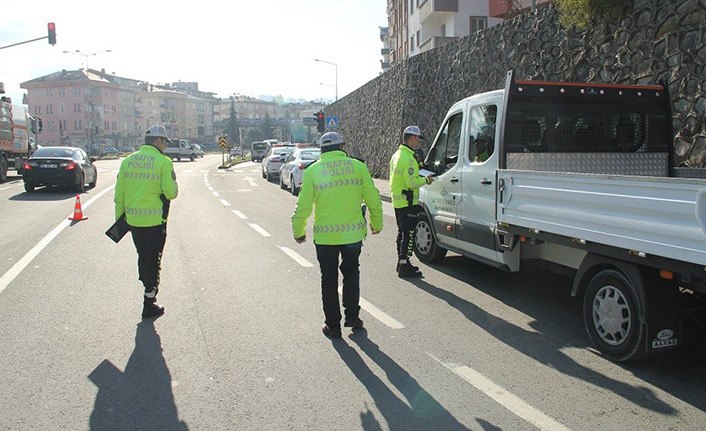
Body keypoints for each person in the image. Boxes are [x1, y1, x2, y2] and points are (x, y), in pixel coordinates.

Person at [292, 132, 383, 339]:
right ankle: (352, 317)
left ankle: (333, 326)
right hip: (352, 237)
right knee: (351, 274)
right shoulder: (358, 167)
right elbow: (373, 199)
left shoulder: (313, 171)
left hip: (325, 239)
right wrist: (376, 223)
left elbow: (303, 206)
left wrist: (299, 231)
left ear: (321, 150)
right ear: (342, 147)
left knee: (329, 280)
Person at [115, 125, 179, 319]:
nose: (165, 146)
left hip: (134, 220)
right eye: (165, 142)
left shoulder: (127, 161)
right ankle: (149, 301)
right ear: (158, 142)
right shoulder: (163, 162)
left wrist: (120, 223)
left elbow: (120, 195)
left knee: (142, 256)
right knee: (154, 260)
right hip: (154, 221)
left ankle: (145, 285)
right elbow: (171, 193)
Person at [389, 125, 434, 278]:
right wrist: (425, 180)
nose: (418, 143)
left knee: (402, 233)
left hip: (398, 201)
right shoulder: (408, 159)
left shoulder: (397, 155)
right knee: (408, 234)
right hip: (407, 202)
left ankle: (401, 262)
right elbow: (411, 182)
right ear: (413, 138)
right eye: (418, 139)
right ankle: (404, 265)